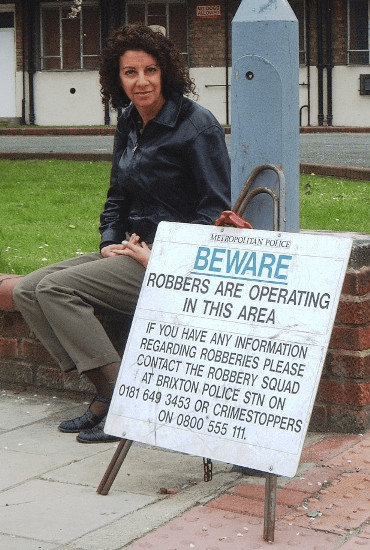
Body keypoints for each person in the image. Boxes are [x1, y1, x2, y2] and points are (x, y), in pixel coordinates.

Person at [13, 24, 231, 443]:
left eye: (150, 70)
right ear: (118, 79)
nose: (142, 81)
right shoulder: (129, 120)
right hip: (130, 250)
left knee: (56, 290)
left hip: (169, 262)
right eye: (130, 73)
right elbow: (117, 194)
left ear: (166, 71)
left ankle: (119, 403)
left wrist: (161, 258)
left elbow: (215, 211)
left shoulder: (197, 126)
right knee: (28, 289)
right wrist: (108, 241)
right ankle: (106, 393)